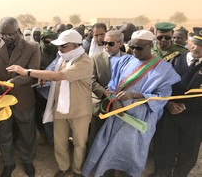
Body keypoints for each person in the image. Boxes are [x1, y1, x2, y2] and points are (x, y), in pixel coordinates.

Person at [82, 30, 181, 177]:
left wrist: (135, 95)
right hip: (119, 112)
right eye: (131, 47)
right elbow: (113, 85)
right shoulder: (125, 60)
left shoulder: (164, 69)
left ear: (151, 45)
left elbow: (163, 97)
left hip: (140, 117)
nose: (134, 51)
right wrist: (114, 101)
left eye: (139, 48)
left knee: (131, 151)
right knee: (110, 148)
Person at [7, 29, 93, 177]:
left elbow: (59, 75)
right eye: (59, 46)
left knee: (79, 144)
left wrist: (27, 72)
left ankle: (78, 171)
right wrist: (45, 77)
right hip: (60, 107)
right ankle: (64, 168)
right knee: (60, 142)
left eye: (63, 46)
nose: (59, 49)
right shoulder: (62, 59)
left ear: (76, 45)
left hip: (79, 111)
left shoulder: (85, 61)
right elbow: (54, 75)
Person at [0, 17, 40, 177]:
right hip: (1, 99)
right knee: (3, 133)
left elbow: (32, 73)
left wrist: (11, 82)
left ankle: (27, 160)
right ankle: (8, 163)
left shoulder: (32, 47)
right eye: (2, 34)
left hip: (23, 99)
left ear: (18, 31)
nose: (6, 38)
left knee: (27, 133)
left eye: (10, 34)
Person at [151, 27, 202, 177]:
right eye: (195, 43)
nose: (196, 48)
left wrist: (186, 105)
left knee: (187, 158)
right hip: (169, 117)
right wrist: (168, 104)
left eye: (201, 45)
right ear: (190, 42)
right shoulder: (173, 60)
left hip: (194, 120)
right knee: (164, 155)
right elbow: (159, 86)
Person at [88, 30, 125, 151]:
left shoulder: (129, 59)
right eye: (104, 43)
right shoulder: (95, 59)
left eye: (110, 44)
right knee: (95, 137)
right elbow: (91, 81)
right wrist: (105, 93)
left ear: (120, 43)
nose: (106, 46)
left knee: (115, 139)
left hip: (121, 105)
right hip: (100, 105)